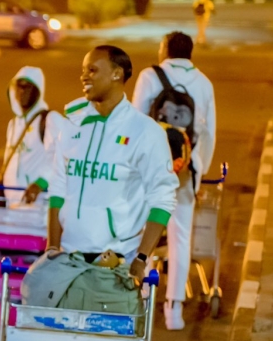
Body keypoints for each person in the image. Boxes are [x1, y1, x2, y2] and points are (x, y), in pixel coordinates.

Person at [40, 45, 178, 289]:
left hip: (117, 263)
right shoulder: (72, 125)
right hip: (69, 259)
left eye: (92, 70)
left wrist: (142, 258)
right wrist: (52, 247)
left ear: (117, 74)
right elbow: (58, 188)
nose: (84, 76)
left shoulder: (145, 132)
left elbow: (163, 198)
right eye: (83, 70)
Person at [130, 32, 217, 330]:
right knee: (181, 238)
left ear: (165, 50)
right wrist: (196, 173)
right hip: (184, 173)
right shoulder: (204, 83)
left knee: (144, 232)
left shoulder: (150, 76)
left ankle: (139, 295)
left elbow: (136, 121)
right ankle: (174, 310)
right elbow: (208, 133)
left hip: (148, 172)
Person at [0, 67, 61, 204]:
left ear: (38, 91)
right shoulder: (13, 124)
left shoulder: (49, 120)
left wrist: (40, 183)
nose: (22, 92)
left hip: (38, 206)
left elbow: (62, 157)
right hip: (13, 206)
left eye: (28, 87)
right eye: (19, 87)